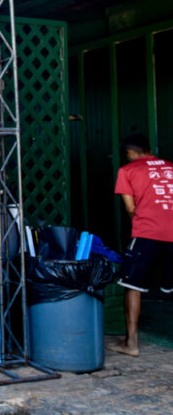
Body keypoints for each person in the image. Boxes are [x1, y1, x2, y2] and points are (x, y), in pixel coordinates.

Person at [109, 134, 173, 357]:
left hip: (147, 231)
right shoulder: (170, 167)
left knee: (132, 286)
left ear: (129, 153)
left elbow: (130, 208)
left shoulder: (127, 170)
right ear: (148, 149)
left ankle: (131, 344)